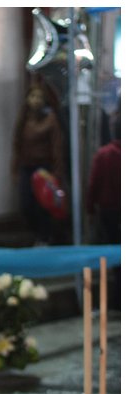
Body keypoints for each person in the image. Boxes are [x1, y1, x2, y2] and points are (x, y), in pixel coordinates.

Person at [11, 83, 65, 244]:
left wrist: (57, 172)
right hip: (27, 167)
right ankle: (37, 234)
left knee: (43, 205)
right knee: (26, 204)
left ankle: (45, 237)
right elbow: (17, 144)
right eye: (32, 96)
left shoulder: (50, 119)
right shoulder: (24, 118)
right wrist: (14, 168)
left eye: (39, 97)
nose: (35, 100)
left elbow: (57, 146)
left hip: (44, 169)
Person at [86, 110, 121, 310]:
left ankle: (116, 301)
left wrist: (90, 209)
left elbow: (93, 185)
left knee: (116, 256)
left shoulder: (103, 155)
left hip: (108, 213)